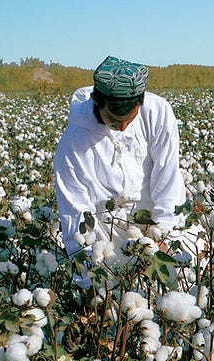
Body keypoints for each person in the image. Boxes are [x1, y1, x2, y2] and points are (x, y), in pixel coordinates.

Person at [53, 55, 187, 265]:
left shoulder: (158, 113)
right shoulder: (73, 143)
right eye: (114, 119)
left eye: (129, 119)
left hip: (154, 219)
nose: (122, 127)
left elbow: (167, 175)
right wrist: (87, 272)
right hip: (106, 231)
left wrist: (163, 232)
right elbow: (75, 211)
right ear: (97, 102)